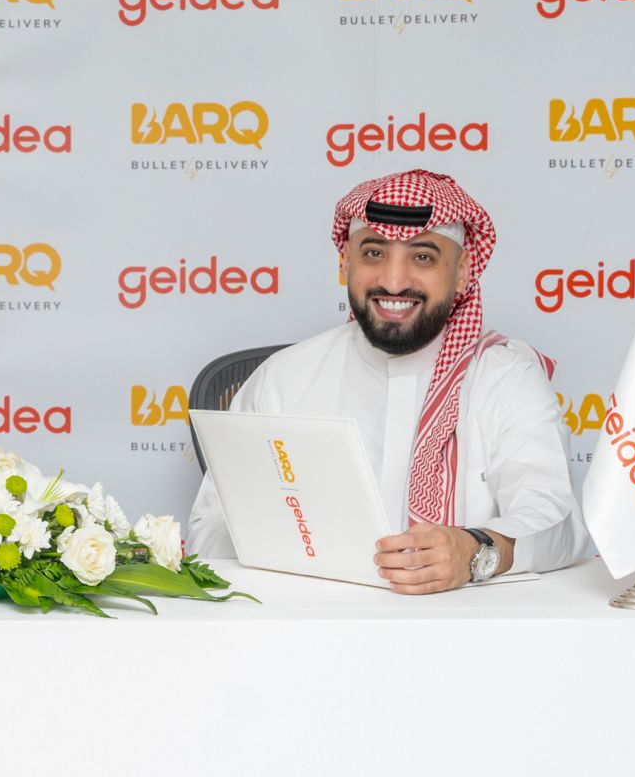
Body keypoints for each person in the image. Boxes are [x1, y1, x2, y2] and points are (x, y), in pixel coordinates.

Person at [187, 169, 588, 593]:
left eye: (423, 257)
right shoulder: (284, 379)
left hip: (465, 627)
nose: (394, 282)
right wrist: (287, 539)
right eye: (374, 253)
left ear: (463, 271)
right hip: (311, 620)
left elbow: (557, 526)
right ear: (345, 262)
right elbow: (206, 533)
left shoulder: (506, 378)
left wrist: (475, 551)